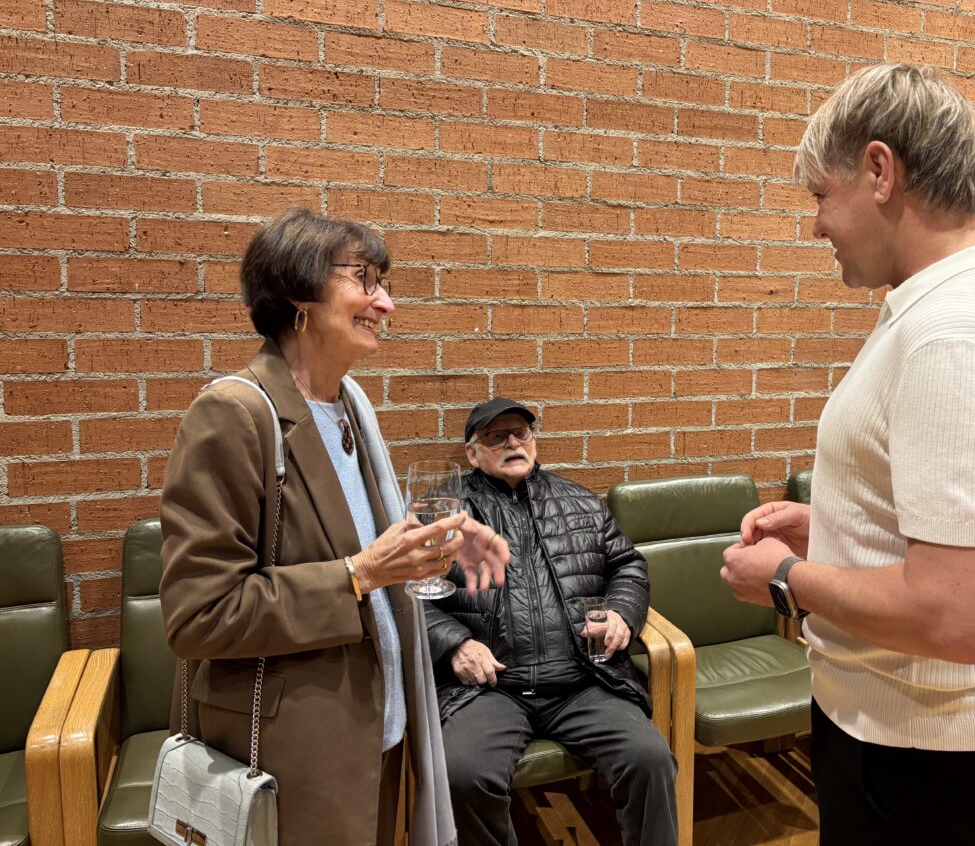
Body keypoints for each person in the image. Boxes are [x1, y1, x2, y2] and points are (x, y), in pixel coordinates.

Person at [720, 64, 975, 846]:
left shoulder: (956, 335)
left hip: (919, 747)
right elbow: (966, 533)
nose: (817, 227)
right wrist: (839, 526)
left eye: (821, 195)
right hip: (930, 743)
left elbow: (957, 616)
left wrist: (784, 578)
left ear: (880, 171)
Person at [159, 207, 510, 846]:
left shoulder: (350, 406)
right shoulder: (233, 415)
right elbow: (199, 616)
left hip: (378, 730)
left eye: (384, 284)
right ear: (298, 294)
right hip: (293, 756)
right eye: (364, 279)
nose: (386, 303)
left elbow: (346, 538)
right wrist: (359, 575)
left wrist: (436, 540)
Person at [424, 397, 678, 846]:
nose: (512, 443)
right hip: (490, 688)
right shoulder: (443, 514)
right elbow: (407, 595)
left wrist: (621, 612)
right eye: (496, 436)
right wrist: (455, 643)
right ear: (472, 453)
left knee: (650, 758)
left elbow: (628, 566)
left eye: (521, 433)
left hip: (583, 680)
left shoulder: (579, 501)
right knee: (462, 774)